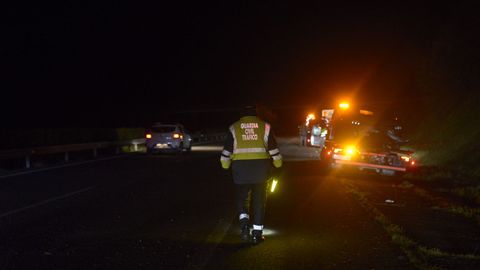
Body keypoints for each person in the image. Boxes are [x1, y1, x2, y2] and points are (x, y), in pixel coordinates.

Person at [220, 105, 283, 244]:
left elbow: (226, 154)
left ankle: (244, 227)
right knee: (259, 201)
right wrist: (278, 164)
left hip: (240, 171)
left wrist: (225, 166)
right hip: (261, 170)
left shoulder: (234, 128)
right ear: (256, 114)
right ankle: (257, 234)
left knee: (242, 200)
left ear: (241, 114)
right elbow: (274, 151)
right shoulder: (265, 127)